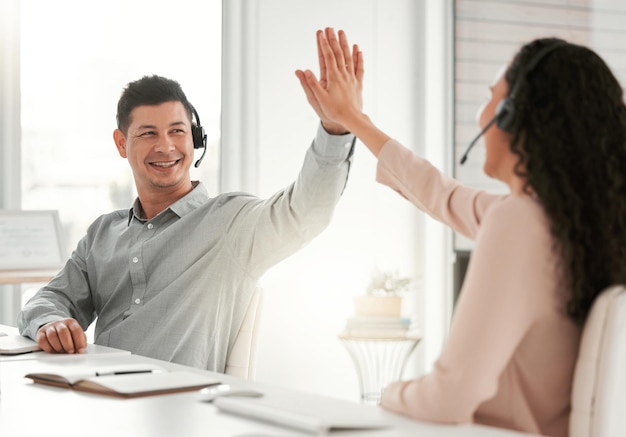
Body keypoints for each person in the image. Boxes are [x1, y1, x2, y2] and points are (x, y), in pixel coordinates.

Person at [296, 28, 626, 437]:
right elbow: (441, 193)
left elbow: (448, 398)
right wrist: (354, 120)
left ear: (513, 114)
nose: (481, 113)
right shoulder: (572, 223)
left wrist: (387, 395)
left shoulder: (519, 224)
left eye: (491, 96)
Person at [18, 70, 361, 372]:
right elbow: (48, 300)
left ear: (195, 140)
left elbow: (306, 211)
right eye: (148, 134)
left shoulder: (230, 222)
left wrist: (334, 129)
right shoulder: (102, 235)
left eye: (177, 131)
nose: (166, 147)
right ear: (121, 143)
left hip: (180, 415)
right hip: (97, 402)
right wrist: (52, 321)